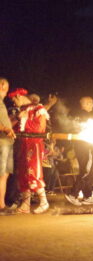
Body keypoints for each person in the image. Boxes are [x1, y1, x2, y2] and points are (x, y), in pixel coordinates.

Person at [9, 90, 50, 213]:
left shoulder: (39, 108)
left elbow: (41, 128)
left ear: (18, 96)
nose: (14, 104)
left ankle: (44, 201)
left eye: (14, 100)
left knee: (33, 171)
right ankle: (25, 204)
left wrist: (26, 119)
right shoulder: (21, 111)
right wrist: (18, 118)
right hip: (22, 145)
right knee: (23, 174)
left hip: (34, 144)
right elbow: (14, 127)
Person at [65, 96, 93, 206]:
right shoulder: (86, 116)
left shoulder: (77, 116)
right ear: (84, 104)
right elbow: (91, 133)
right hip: (86, 146)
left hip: (81, 146)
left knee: (91, 171)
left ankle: (87, 196)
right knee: (86, 170)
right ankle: (73, 194)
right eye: (91, 103)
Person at [0, 78, 15, 210]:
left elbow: (5, 123)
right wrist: (5, 129)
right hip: (1, 142)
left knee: (5, 174)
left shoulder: (2, 103)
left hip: (7, 141)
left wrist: (14, 120)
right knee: (1, 174)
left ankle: (2, 205)